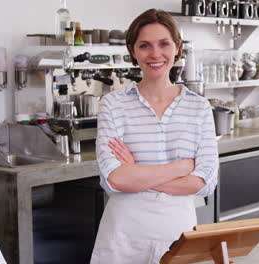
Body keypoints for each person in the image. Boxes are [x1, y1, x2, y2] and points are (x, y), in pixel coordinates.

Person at [91, 9, 219, 264]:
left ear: (177, 48)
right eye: (145, 46)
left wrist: (135, 171)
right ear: (133, 50)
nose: (155, 54)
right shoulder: (112, 104)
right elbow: (114, 179)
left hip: (178, 235)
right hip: (123, 237)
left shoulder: (199, 107)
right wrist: (181, 168)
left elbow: (204, 182)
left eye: (164, 44)